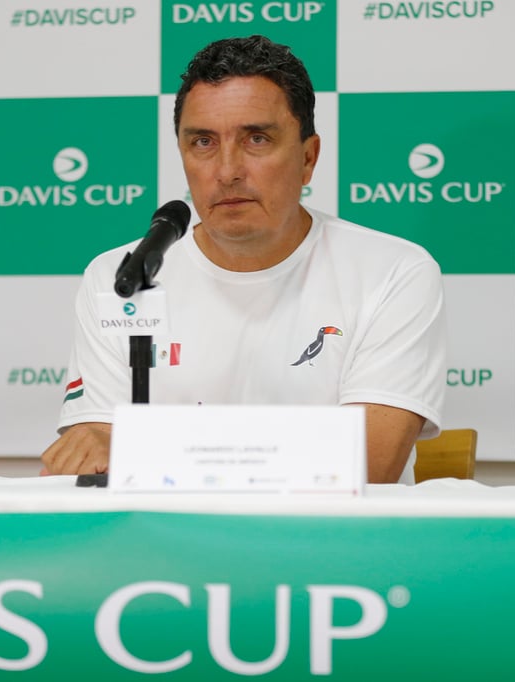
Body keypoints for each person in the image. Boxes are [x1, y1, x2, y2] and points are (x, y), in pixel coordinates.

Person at [41, 35, 446, 484]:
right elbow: (92, 452)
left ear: (308, 158)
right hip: (166, 546)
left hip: (329, 547)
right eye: (203, 142)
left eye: (256, 139)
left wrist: (148, 448)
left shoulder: (394, 272)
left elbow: (369, 463)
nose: (227, 170)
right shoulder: (121, 276)